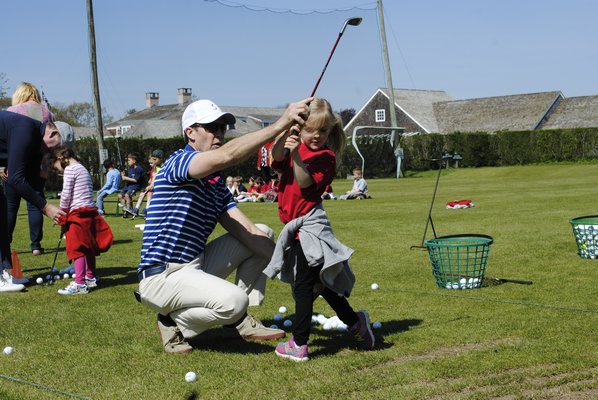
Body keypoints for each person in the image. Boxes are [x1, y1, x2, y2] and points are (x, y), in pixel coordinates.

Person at [136, 97, 312, 353]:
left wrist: (298, 273)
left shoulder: (215, 183)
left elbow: (249, 232)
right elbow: (228, 155)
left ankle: (239, 322)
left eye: (222, 128)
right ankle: (172, 321)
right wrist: (280, 125)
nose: (220, 133)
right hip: (161, 276)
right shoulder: (178, 162)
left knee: (264, 232)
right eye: (212, 127)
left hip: (194, 265)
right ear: (190, 132)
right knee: (234, 300)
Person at [265, 98, 375, 361]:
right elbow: (275, 157)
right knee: (321, 284)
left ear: (331, 132)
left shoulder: (326, 157)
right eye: (310, 129)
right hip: (296, 228)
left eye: (323, 131)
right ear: (300, 129)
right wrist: (285, 137)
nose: (317, 136)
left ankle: (299, 344)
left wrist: (296, 154)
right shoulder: (296, 144)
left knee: (304, 286)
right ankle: (356, 322)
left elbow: (304, 184)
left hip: (311, 227)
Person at [0, 111, 66, 292]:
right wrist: (45, 207)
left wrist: (50, 210)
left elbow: (31, 182)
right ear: (52, 133)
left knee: (3, 216)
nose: (53, 151)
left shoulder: (36, 144)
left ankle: (5, 273)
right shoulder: (26, 130)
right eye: (55, 146)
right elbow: (15, 179)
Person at [52, 145, 113, 295]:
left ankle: (80, 284)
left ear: (61, 158)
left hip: (77, 213)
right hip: (89, 211)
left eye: (57, 166)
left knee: (77, 247)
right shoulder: (82, 168)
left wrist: (62, 214)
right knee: (88, 247)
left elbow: (66, 195)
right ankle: (90, 277)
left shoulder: (70, 170)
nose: (59, 169)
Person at [6, 82, 55, 255]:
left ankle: (6, 243)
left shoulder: (13, 111)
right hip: (37, 164)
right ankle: (36, 245)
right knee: (35, 204)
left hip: (14, 164)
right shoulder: (46, 113)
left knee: (10, 205)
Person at [130, 149, 164, 217]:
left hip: (159, 189)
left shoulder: (161, 167)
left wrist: (152, 185)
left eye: (155, 159)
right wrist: (150, 183)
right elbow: (153, 178)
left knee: (149, 194)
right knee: (143, 193)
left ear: (161, 159)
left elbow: (156, 178)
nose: (153, 162)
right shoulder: (155, 168)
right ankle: (136, 209)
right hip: (153, 186)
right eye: (152, 160)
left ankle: (147, 209)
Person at [119, 153, 143, 217]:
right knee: (120, 195)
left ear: (134, 161)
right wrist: (123, 175)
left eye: (129, 160)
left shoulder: (138, 169)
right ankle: (125, 210)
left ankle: (129, 210)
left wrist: (125, 178)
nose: (128, 162)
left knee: (127, 195)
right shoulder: (131, 168)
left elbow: (135, 180)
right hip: (128, 186)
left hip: (135, 186)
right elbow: (129, 178)